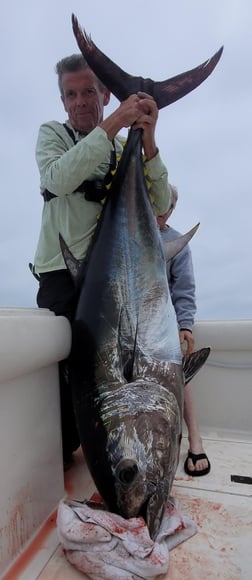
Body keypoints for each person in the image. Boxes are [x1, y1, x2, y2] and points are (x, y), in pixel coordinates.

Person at [32, 54, 171, 470]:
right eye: (71, 94)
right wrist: (115, 123)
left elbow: (160, 208)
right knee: (66, 378)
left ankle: (114, 457)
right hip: (63, 276)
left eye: (88, 91)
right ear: (62, 101)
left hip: (110, 281)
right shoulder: (52, 135)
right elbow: (57, 179)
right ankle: (66, 452)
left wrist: (147, 140)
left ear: (105, 94)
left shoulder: (118, 145)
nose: (79, 102)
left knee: (108, 376)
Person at [157, 185, 211, 476]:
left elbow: (184, 290)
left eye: (166, 207)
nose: (160, 212)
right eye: (156, 204)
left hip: (164, 327)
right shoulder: (130, 236)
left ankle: (195, 440)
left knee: (181, 374)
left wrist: (185, 326)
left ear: (172, 210)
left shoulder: (177, 243)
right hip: (133, 328)